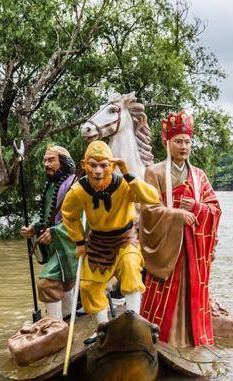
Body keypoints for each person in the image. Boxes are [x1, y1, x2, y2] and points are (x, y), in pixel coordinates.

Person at [61, 141, 159, 340]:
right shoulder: (79, 191)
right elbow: (69, 215)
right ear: (83, 165)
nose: (98, 171)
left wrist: (128, 173)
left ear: (112, 166)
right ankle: (103, 329)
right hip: (98, 240)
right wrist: (79, 242)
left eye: (103, 165)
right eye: (93, 165)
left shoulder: (124, 184)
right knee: (88, 286)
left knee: (131, 267)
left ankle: (134, 322)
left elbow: (151, 197)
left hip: (124, 238)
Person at [140, 110, 222, 347]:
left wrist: (197, 207)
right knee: (162, 293)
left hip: (193, 249)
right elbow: (149, 209)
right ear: (167, 143)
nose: (183, 146)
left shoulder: (199, 176)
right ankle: (160, 339)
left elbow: (214, 208)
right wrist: (177, 214)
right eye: (178, 141)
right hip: (168, 247)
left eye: (187, 141)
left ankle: (192, 340)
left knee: (192, 292)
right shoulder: (153, 172)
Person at [20, 145, 78, 320]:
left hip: (70, 243)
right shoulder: (50, 186)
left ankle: (54, 324)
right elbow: (48, 217)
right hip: (56, 243)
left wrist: (55, 232)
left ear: (63, 161)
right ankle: (67, 314)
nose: (46, 163)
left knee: (47, 283)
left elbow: (82, 219)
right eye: (45, 160)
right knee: (65, 282)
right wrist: (34, 227)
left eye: (51, 159)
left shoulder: (75, 185)